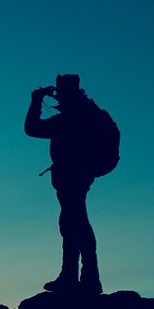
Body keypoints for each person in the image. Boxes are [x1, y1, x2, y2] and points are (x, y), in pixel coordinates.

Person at [24, 73, 103, 295]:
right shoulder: (86, 114)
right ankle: (80, 277)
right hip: (79, 175)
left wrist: (36, 100)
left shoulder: (70, 118)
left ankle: (81, 279)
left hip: (72, 176)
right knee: (73, 222)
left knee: (73, 223)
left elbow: (31, 128)